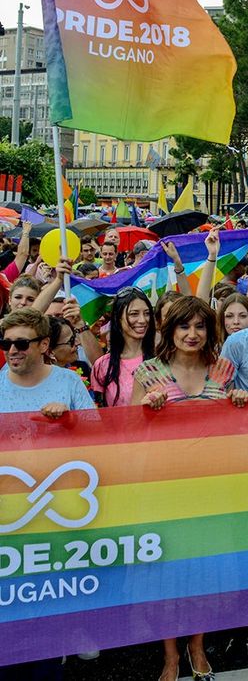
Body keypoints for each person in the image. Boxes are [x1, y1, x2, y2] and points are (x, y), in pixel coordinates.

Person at [130, 296, 248, 681]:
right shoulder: (148, 372)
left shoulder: (224, 370)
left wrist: (239, 403)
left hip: (211, 487)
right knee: (167, 572)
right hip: (163, 489)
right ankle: (170, 655)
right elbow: (127, 433)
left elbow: (235, 429)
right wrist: (146, 410)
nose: (192, 334)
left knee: (203, 570)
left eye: (200, 326)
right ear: (170, 330)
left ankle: (197, 645)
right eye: (184, 326)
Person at [0, 309, 94, 681]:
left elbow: (101, 436)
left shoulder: (68, 382)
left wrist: (70, 420)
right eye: (6, 343)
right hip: (9, 513)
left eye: (21, 343)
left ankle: (54, 653)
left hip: (60, 508)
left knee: (53, 591)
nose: (12, 350)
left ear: (43, 345)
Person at [91, 288, 155, 407]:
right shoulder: (102, 365)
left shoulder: (162, 358)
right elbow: (98, 411)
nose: (142, 320)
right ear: (118, 318)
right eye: (134, 314)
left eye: (147, 313)